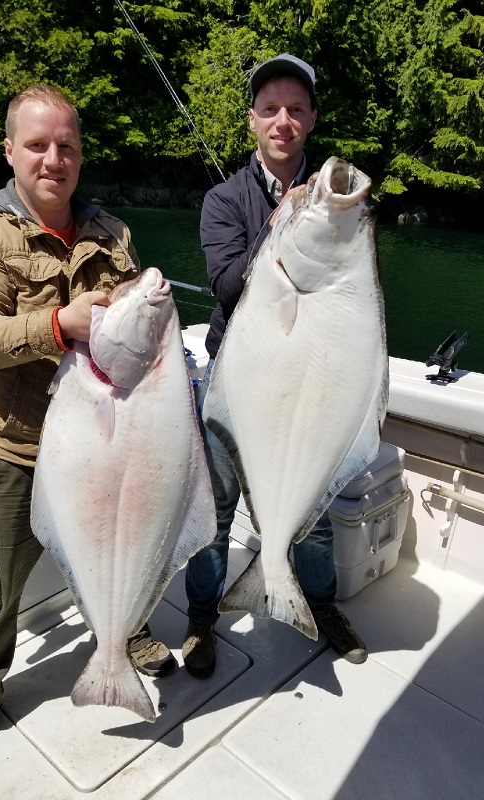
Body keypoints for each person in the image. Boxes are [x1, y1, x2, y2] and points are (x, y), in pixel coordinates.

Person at [0, 84, 175, 780]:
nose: (54, 158)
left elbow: (136, 319)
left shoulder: (112, 234)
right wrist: (55, 327)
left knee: (124, 550)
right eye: (37, 144)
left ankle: (124, 636)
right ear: (9, 150)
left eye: (66, 145)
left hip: (104, 445)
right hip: (13, 451)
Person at [182, 54, 368, 679]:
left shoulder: (338, 198)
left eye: (295, 109)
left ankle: (318, 605)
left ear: (312, 119)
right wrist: (281, 223)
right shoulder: (223, 200)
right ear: (253, 121)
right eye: (270, 110)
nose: (283, 120)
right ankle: (202, 617)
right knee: (216, 507)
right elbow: (228, 285)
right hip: (235, 382)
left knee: (311, 515)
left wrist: (311, 215)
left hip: (310, 382)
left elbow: (353, 295)